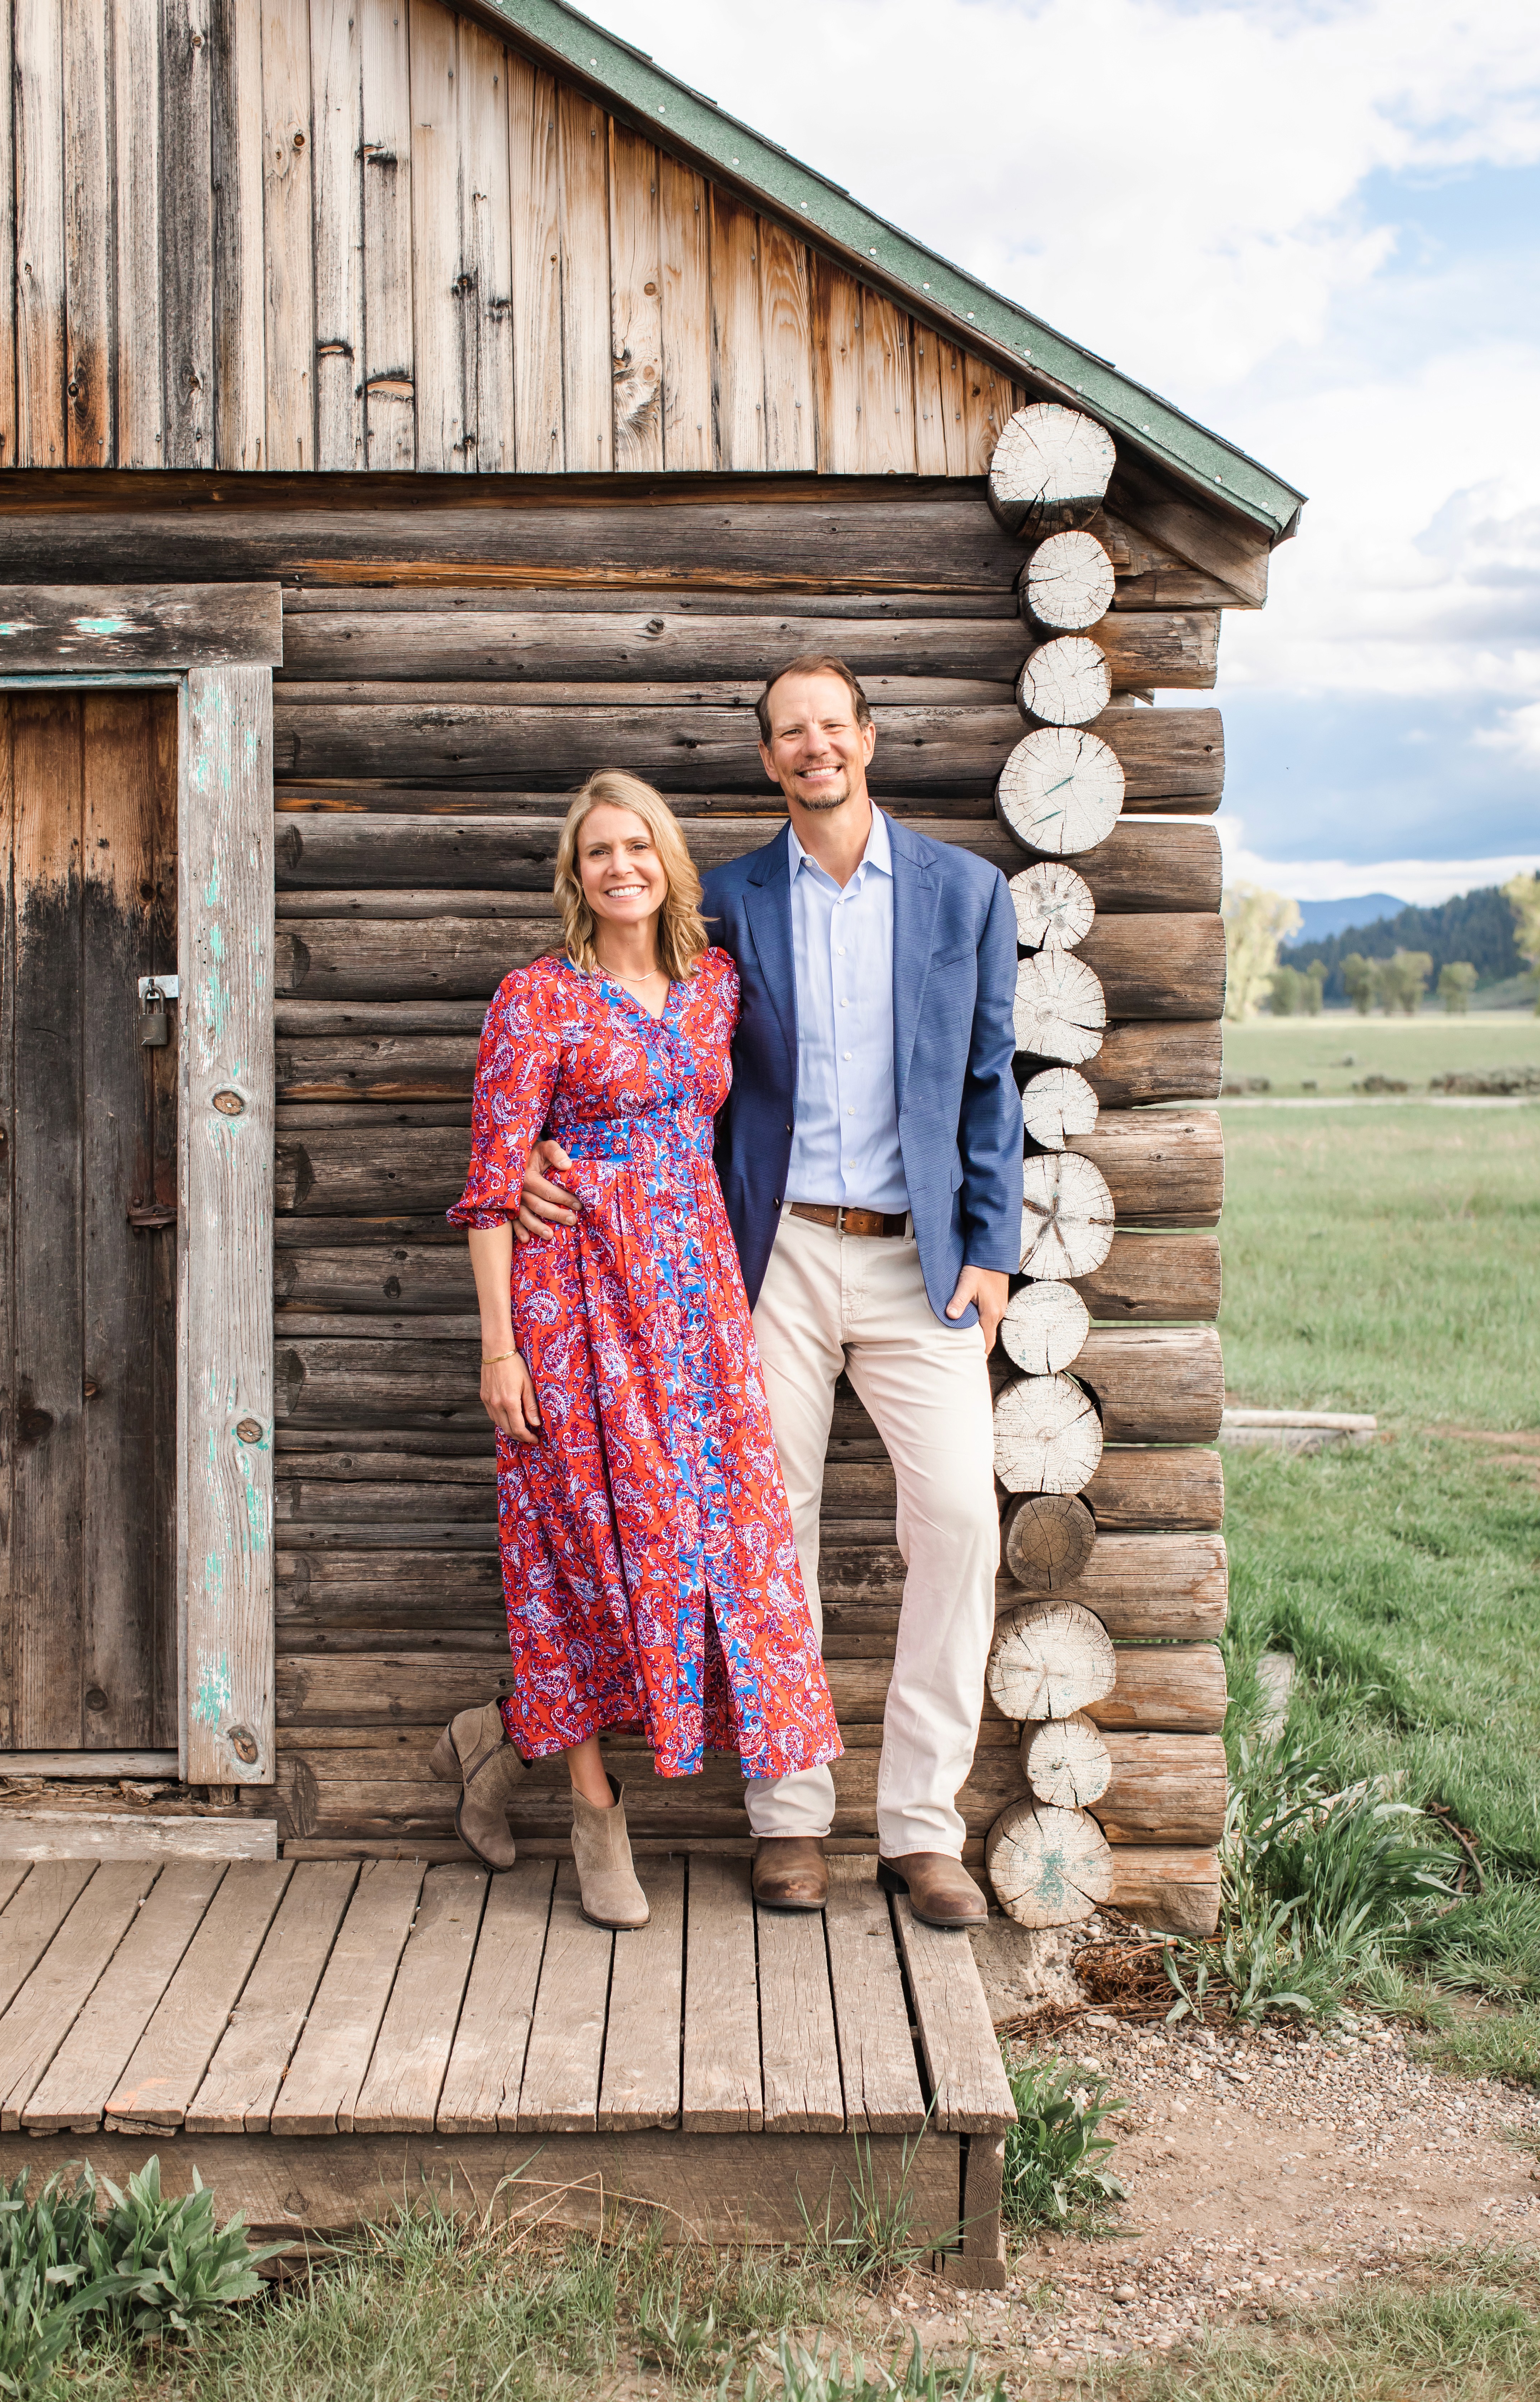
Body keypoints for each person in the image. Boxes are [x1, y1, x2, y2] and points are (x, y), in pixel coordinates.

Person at [514, 658, 1022, 1929]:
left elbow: (991, 1082)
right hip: (774, 1252)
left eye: (831, 727)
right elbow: (634, 1045)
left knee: (959, 1518)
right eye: (789, 734)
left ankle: (920, 1828)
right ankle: (789, 1819)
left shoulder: (966, 893)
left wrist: (996, 1245)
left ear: (868, 740)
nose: (814, 749)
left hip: (925, 1261)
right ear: (768, 760)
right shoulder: (730, 903)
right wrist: (528, 1152)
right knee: (763, 1526)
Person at [437, 769, 841, 1930]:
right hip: (573, 1312)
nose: (620, 866)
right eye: (598, 852)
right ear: (576, 876)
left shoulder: (716, 990)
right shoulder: (538, 1000)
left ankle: (497, 1742)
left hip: (698, 1316)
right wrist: (498, 1349)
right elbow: (490, 1189)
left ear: (668, 865)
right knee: (581, 1549)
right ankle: (592, 1802)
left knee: (698, 1549)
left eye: (639, 847)